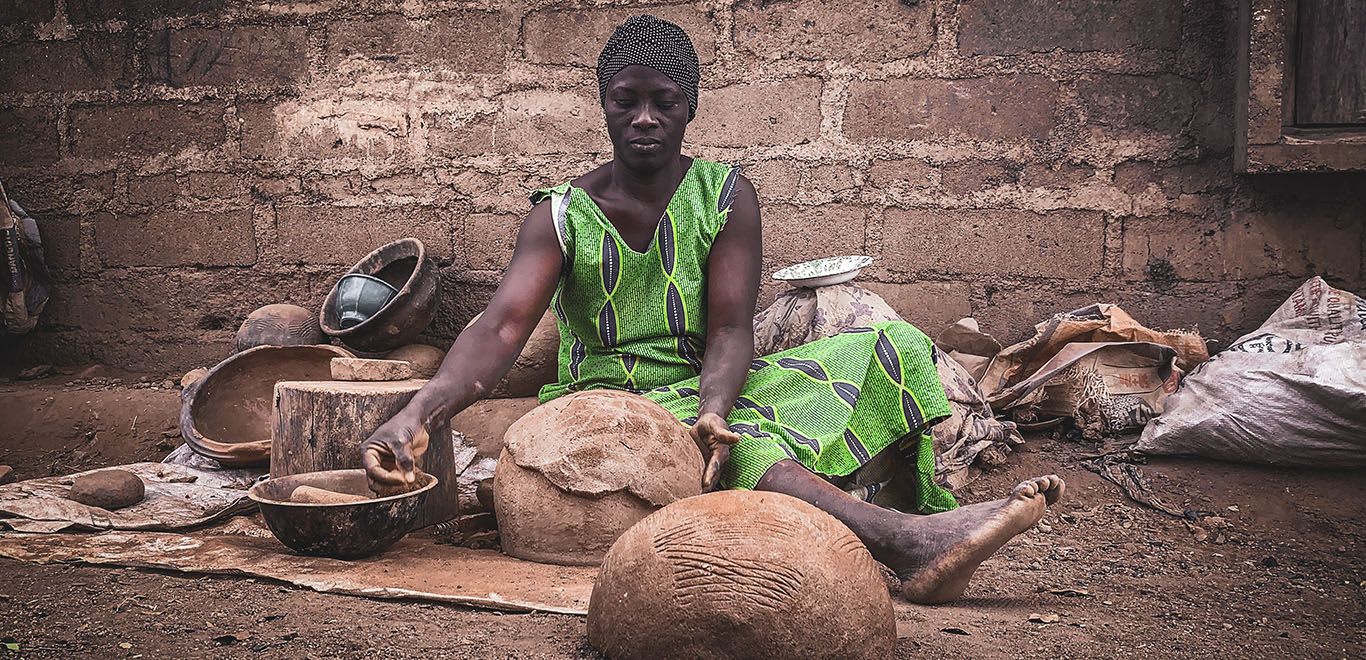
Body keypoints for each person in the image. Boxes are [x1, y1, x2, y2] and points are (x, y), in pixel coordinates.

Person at [361, 15, 1063, 604]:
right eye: (625, 101)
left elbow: (731, 328)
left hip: (708, 386)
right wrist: (421, 411)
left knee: (891, 347)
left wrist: (715, 407)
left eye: (663, 102)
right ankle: (899, 543)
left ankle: (886, 502)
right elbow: (501, 327)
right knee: (750, 449)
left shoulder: (726, 196)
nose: (643, 118)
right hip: (607, 404)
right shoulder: (561, 214)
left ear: (689, 106)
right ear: (603, 103)